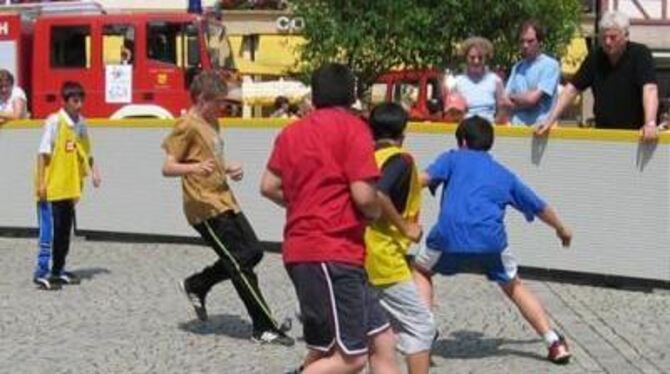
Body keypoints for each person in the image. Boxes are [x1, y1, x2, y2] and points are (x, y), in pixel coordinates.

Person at [260, 63, 399, 374]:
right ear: (351, 95)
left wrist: (304, 203)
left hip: (307, 250)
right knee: (351, 357)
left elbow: (268, 186)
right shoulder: (354, 129)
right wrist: (378, 213)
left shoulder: (291, 132)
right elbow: (364, 196)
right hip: (332, 252)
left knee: (381, 338)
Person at [412, 116, 574, 364]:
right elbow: (539, 206)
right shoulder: (503, 174)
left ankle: (424, 333)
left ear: (462, 141)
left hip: (447, 237)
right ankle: (553, 341)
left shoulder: (452, 158)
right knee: (513, 285)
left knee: (422, 270)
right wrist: (561, 229)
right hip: (491, 241)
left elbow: (421, 180)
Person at [161, 71, 293, 346]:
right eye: (218, 101)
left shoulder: (213, 123)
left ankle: (198, 284)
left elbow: (210, 158)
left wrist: (227, 167)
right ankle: (263, 327)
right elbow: (168, 166)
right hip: (203, 205)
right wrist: (194, 168)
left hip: (224, 199)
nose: (223, 107)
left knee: (252, 252)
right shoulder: (186, 124)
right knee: (238, 263)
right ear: (202, 98)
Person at [364, 102, 436, 374]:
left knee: (378, 332)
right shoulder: (400, 159)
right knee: (421, 325)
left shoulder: (366, 156)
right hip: (384, 256)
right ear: (403, 132)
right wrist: (405, 226)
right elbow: (380, 194)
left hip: (360, 252)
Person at [537, 11, 659, 140]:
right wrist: (550, 120)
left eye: (613, 37)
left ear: (626, 36)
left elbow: (650, 89)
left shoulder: (641, 54)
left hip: (637, 135)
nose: (607, 42)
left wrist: (650, 123)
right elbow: (571, 90)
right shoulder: (595, 57)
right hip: (604, 134)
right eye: (603, 37)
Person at [33, 81, 102, 290]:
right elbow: (43, 154)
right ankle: (41, 271)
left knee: (64, 231)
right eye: (75, 100)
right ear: (65, 101)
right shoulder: (54, 122)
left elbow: (86, 152)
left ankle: (58, 269)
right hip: (52, 188)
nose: (79, 104)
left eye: (81, 100)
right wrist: (41, 183)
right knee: (50, 231)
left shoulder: (81, 123)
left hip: (70, 187)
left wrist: (94, 172)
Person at [505, 20, 560, 126]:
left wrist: (513, 97)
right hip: (516, 129)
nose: (525, 45)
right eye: (522, 41)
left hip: (540, 131)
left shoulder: (550, 65)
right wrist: (523, 99)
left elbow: (532, 99)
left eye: (530, 41)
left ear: (540, 42)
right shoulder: (517, 68)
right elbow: (505, 102)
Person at [452, 37, 507, 124]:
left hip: (489, 128)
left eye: (480, 58)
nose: (476, 61)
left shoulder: (495, 80)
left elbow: (503, 108)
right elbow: (453, 112)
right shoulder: (458, 82)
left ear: (485, 58)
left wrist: (495, 125)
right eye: (472, 57)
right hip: (466, 128)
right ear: (466, 58)